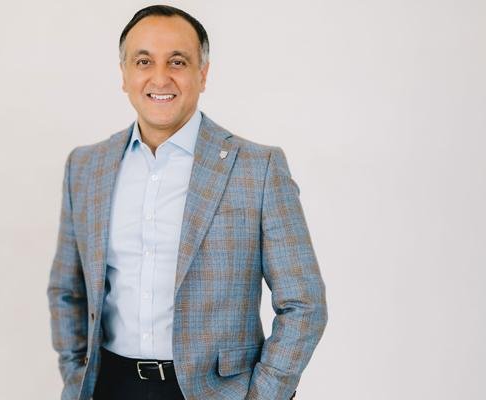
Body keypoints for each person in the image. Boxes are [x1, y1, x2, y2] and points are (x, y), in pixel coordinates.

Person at [47, 5, 327, 400]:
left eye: (177, 61)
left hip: (216, 392)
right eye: (144, 61)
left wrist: (263, 395)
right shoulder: (86, 167)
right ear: (124, 74)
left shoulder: (257, 169)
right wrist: (77, 378)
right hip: (109, 387)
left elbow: (304, 303)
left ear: (203, 73)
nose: (160, 77)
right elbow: (67, 290)